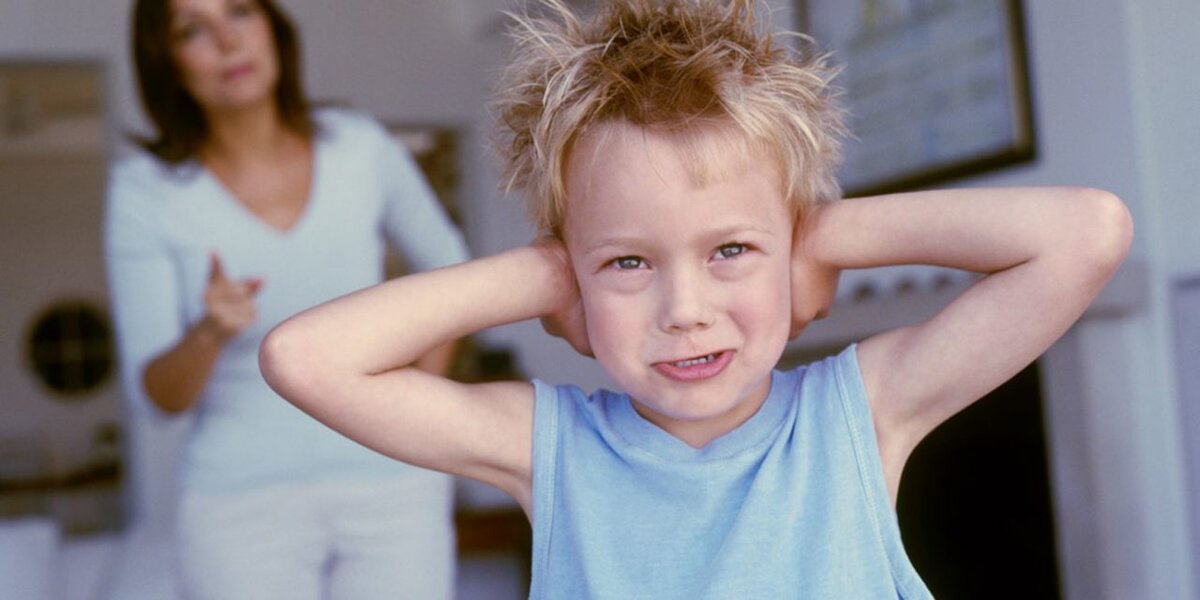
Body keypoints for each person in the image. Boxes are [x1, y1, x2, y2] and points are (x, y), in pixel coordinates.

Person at [259, 0, 1133, 597]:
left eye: (730, 250)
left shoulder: (856, 415)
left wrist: (818, 237)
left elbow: (1088, 232)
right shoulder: (550, 449)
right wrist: (546, 274)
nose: (684, 308)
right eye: (629, 263)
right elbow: (303, 358)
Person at [103, 0, 469, 598]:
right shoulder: (145, 191)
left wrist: (416, 405)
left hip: (393, 485)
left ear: (272, 26)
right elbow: (157, 398)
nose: (227, 42)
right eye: (192, 30)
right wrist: (209, 333)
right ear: (165, 60)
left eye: (239, 12)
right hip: (239, 506)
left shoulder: (357, 146)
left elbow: (451, 267)